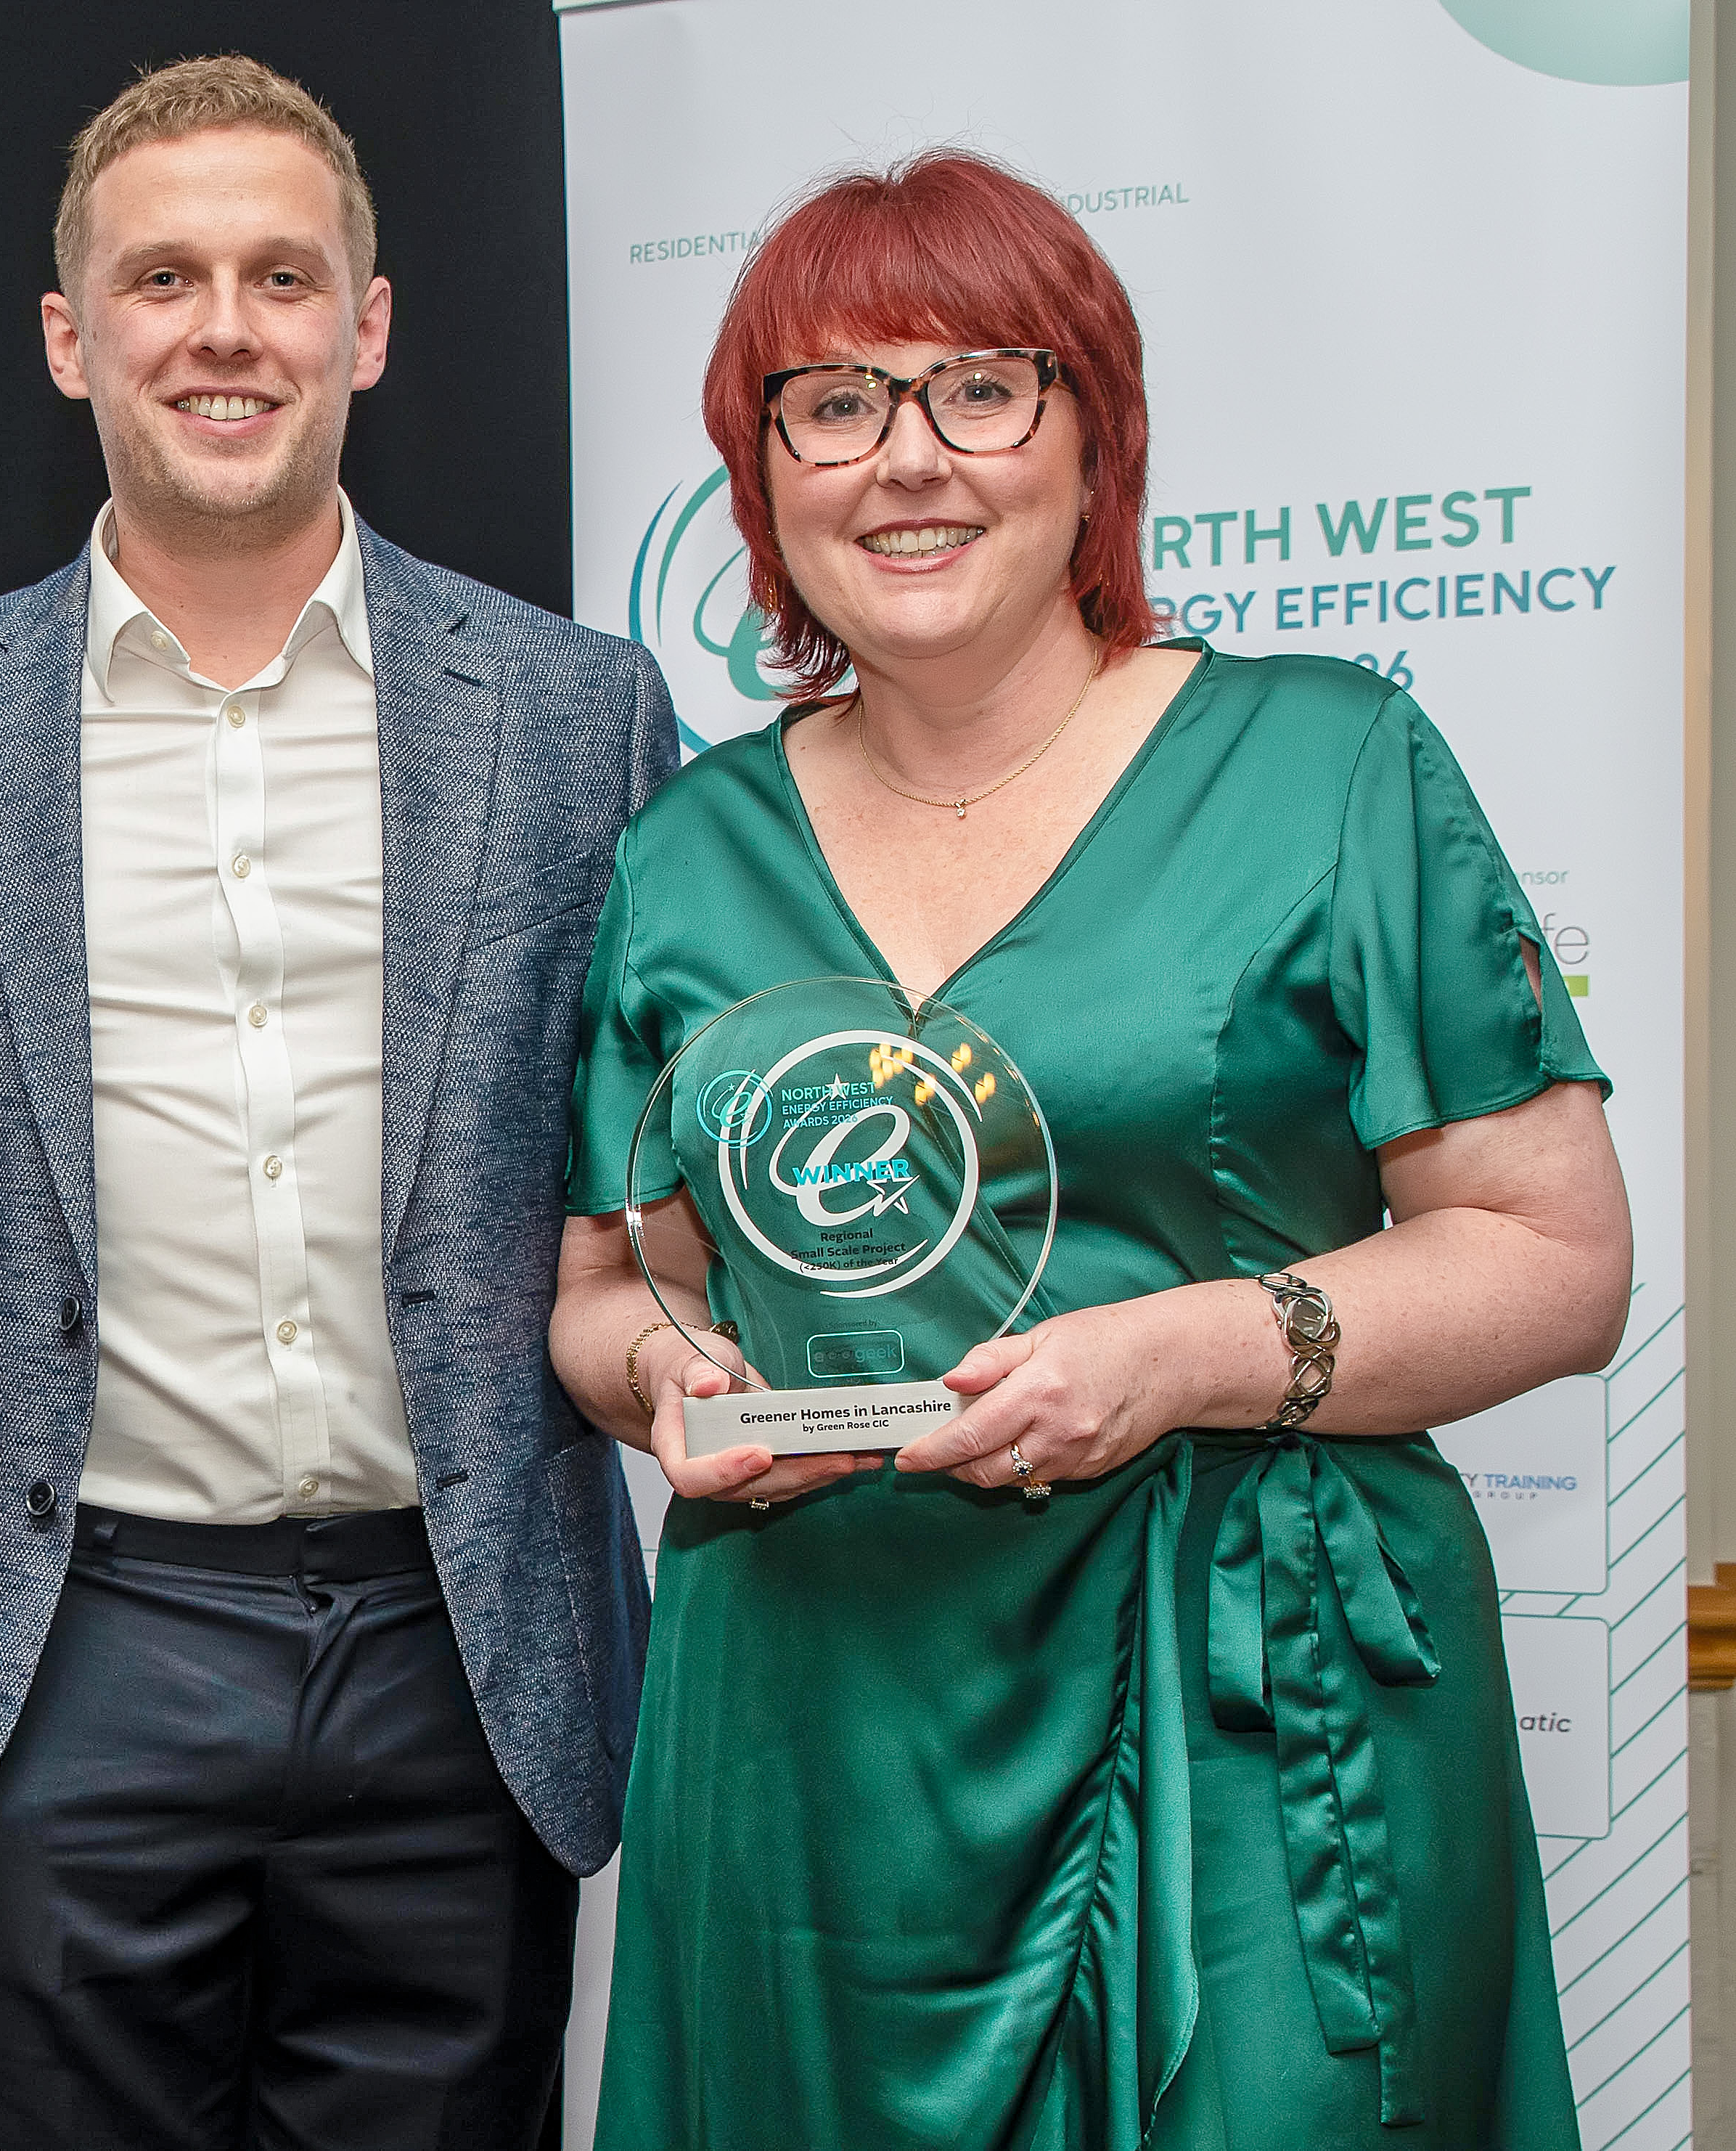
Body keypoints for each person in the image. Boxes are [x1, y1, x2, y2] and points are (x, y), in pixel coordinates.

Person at [550, 151, 1632, 2149]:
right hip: (814, 1732)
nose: (909, 457)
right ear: (763, 479)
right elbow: (617, 1284)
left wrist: (1183, 1353)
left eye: (983, 387)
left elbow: (1556, 1257)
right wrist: (672, 1381)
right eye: (834, 402)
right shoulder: (686, 850)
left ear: (1095, 440)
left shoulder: (1329, 763)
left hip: (1252, 1708)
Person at [0, 54, 673, 2151]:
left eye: (284, 278)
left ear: (368, 327)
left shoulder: (580, 714)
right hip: (58, 1650)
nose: (225, 330)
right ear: (67, 337)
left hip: (463, 1647)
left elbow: (654, 1170)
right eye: (162, 278)